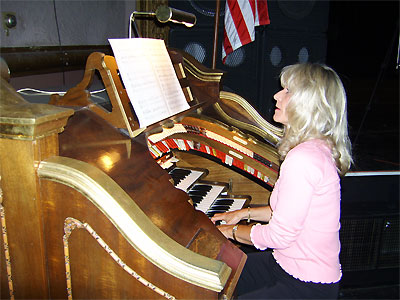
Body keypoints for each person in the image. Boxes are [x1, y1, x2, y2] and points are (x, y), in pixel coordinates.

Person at [211, 63, 353, 299]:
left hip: (306, 285)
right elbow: (286, 213)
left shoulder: (304, 159)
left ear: (307, 105)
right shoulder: (317, 148)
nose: (277, 95)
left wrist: (232, 232)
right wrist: (243, 213)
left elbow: (279, 235)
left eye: (287, 90)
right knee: (218, 276)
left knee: (218, 273)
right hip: (285, 264)